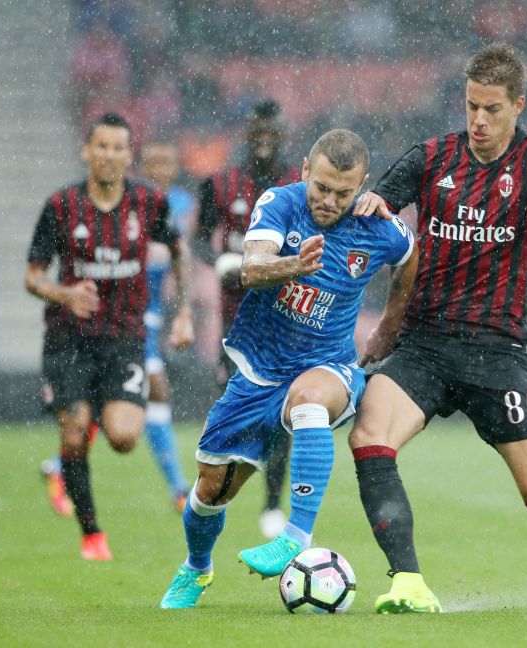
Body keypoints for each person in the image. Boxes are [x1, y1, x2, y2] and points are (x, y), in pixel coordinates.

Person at [348, 43, 527, 613]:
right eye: (472, 105)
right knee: (369, 435)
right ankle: (407, 582)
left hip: (499, 354)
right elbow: (375, 204)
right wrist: (365, 206)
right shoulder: (431, 157)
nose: (478, 119)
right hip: (424, 346)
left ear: (517, 105)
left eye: (492, 109)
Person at [158, 129, 416, 609]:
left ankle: (296, 535)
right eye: (321, 187)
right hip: (257, 372)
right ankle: (197, 568)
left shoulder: (377, 227)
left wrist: (389, 326)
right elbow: (251, 267)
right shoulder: (280, 202)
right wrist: (291, 266)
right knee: (209, 489)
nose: (329, 200)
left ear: (361, 186)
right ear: (304, 171)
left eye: (343, 192)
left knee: (309, 398)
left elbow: (409, 255)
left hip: (328, 366)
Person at [26, 112, 194, 560]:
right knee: (76, 431)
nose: (110, 155)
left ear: (128, 155)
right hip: (68, 339)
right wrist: (63, 293)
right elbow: (33, 277)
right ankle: (92, 535)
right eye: (101, 146)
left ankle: (90, 417)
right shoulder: (61, 206)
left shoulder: (149, 203)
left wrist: (184, 314)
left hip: (124, 337)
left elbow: (180, 252)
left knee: (123, 437)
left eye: (119, 148)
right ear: (87, 150)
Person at [192, 99, 300, 539]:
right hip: (236, 320)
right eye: (257, 128)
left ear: (281, 133)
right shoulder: (219, 183)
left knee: (283, 414)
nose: (264, 137)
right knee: (231, 408)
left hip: (288, 316)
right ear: (247, 132)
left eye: (271, 129)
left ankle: (274, 502)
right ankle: (215, 488)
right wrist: (219, 260)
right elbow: (199, 239)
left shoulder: (299, 183)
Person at [139, 138, 196, 511]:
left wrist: (182, 311)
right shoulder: (131, 203)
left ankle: (61, 467)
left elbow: (181, 257)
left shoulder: (183, 205)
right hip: (129, 315)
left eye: (166, 161)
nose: (159, 168)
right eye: (152, 161)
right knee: (155, 392)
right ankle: (179, 488)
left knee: (120, 395)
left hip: (152, 313)